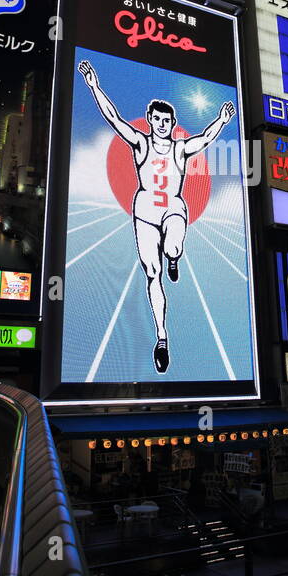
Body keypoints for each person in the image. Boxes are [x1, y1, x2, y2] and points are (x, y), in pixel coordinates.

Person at [77, 59, 235, 373]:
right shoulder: (140, 143)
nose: (162, 124)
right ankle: (162, 337)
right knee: (152, 273)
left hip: (174, 208)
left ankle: (174, 255)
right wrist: (94, 86)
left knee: (173, 248)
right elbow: (114, 118)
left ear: (172, 122)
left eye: (167, 120)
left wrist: (221, 120)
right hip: (145, 212)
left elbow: (205, 139)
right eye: (157, 119)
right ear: (150, 120)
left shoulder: (179, 148)